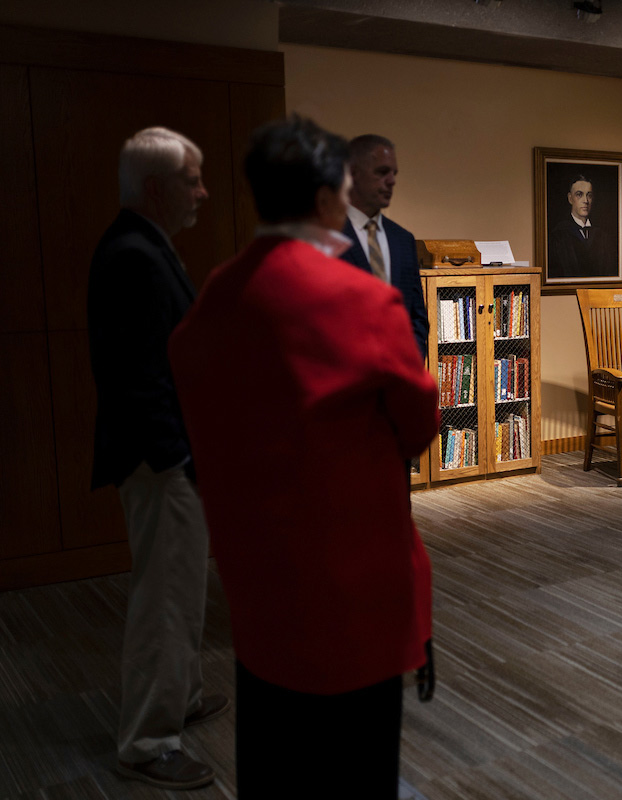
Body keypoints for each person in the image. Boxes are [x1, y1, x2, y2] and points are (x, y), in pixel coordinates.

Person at [168, 116, 439, 798]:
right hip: (353, 585)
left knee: (277, 761)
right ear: (328, 200)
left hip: (256, 580)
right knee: (356, 768)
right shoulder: (362, 301)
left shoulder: (213, 302)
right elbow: (420, 421)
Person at [87, 126, 227, 791]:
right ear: (154, 187)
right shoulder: (134, 255)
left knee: (182, 590)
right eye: (192, 179)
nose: (203, 191)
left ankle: (184, 696)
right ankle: (146, 741)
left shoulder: (147, 246)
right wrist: (180, 460)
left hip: (172, 457)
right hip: (159, 461)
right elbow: (139, 379)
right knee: (163, 601)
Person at [340, 133, 430, 354]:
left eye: (394, 173)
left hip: (398, 379)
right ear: (353, 174)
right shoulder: (324, 236)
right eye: (382, 172)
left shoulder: (403, 240)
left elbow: (417, 316)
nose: (392, 181)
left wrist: (410, 364)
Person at [548, 174, 613, 279]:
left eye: (589, 195)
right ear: (570, 198)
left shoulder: (602, 236)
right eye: (579, 194)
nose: (586, 201)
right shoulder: (558, 235)